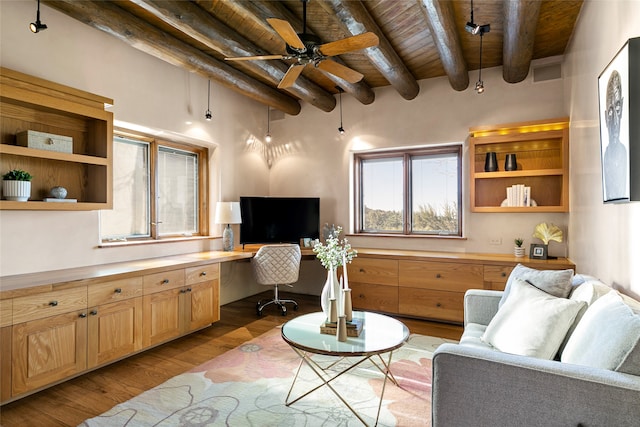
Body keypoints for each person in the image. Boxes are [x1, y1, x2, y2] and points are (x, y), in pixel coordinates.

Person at [602, 70, 628, 201]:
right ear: (606, 117)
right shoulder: (605, 155)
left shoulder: (625, 153)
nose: (615, 120)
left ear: (622, 108)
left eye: (618, 108)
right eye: (611, 111)